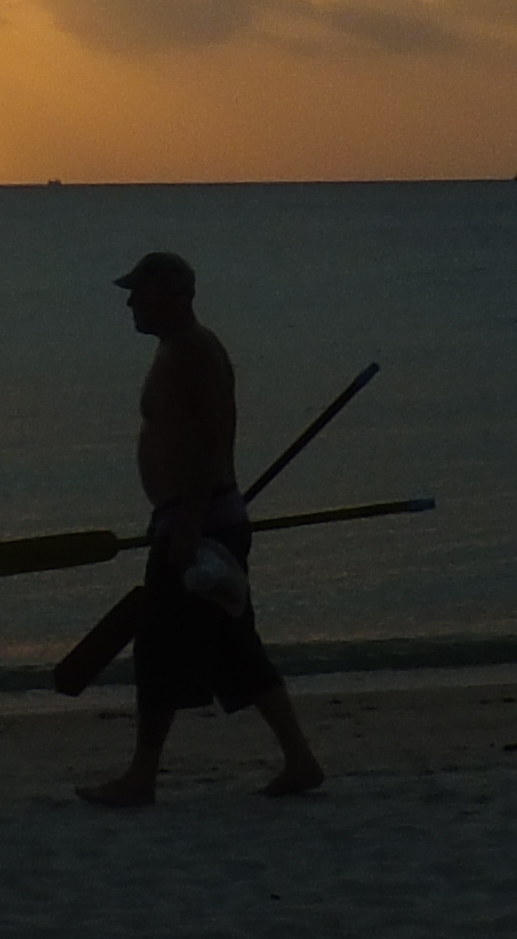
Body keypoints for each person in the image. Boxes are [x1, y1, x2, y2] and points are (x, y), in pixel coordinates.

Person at [72, 250, 326, 806]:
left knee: (160, 647)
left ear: (171, 294)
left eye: (139, 292)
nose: (130, 303)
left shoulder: (194, 350)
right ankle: (300, 761)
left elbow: (212, 437)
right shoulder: (174, 349)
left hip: (200, 526)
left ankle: (141, 777)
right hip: (195, 519)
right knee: (235, 648)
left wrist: (187, 526)